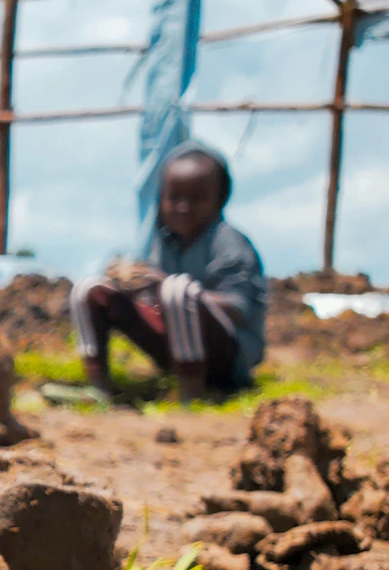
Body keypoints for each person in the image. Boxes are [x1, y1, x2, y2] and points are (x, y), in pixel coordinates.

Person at [68, 142, 267, 403]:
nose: (183, 207)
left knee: (178, 290)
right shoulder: (162, 242)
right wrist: (133, 287)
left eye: (197, 198)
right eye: (175, 197)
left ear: (219, 198)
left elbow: (238, 307)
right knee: (90, 288)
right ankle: (98, 388)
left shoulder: (229, 244)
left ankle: (191, 395)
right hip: (174, 349)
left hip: (228, 361)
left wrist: (165, 286)